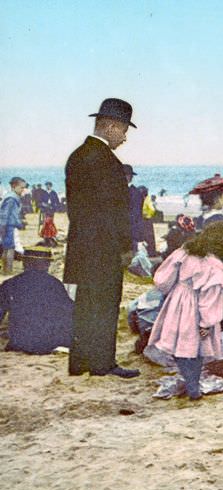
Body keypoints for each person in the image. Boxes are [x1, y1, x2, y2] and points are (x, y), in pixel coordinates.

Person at [64, 98, 140, 378]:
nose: (124, 138)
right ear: (110, 126)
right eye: (124, 131)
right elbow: (115, 211)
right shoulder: (106, 160)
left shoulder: (77, 156)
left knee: (85, 304)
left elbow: (77, 208)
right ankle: (102, 363)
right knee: (106, 304)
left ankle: (80, 362)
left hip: (81, 243)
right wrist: (124, 246)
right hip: (104, 246)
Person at [147, 221, 223, 399]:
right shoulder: (215, 267)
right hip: (196, 311)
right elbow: (210, 298)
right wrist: (207, 322)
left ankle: (189, 381)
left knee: (177, 344)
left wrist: (174, 291)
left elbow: (163, 280)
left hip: (176, 304)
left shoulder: (184, 252)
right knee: (197, 348)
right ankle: (193, 383)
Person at [1, 178, 27, 274]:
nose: (23, 190)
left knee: (7, 247)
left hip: (9, 225)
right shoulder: (11, 198)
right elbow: (5, 215)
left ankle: (6, 269)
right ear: (14, 186)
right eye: (21, 188)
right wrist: (3, 228)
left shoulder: (11, 197)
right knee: (10, 248)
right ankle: (8, 270)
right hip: (8, 226)